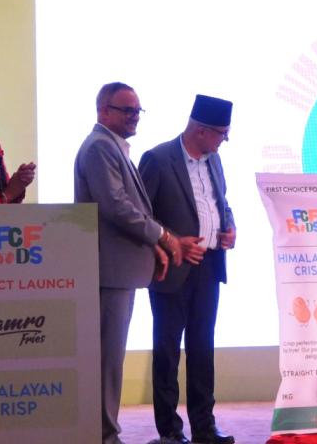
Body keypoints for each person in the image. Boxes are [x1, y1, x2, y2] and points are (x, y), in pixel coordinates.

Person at [74, 82, 183, 444]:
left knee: (110, 359)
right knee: (107, 360)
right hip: (110, 271)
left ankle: (106, 432)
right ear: (103, 111)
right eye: (127, 110)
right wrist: (162, 236)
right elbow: (116, 205)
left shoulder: (112, 146)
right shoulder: (100, 147)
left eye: (138, 110)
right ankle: (105, 436)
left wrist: (153, 246)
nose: (135, 116)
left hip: (119, 269)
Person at [139, 94, 236, 444]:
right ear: (200, 131)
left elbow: (220, 202)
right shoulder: (157, 159)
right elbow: (141, 215)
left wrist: (229, 226)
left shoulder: (215, 160)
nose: (225, 140)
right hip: (172, 267)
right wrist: (174, 241)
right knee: (167, 350)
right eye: (222, 133)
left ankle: (204, 427)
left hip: (209, 266)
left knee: (202, 347)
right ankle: (170, 432)